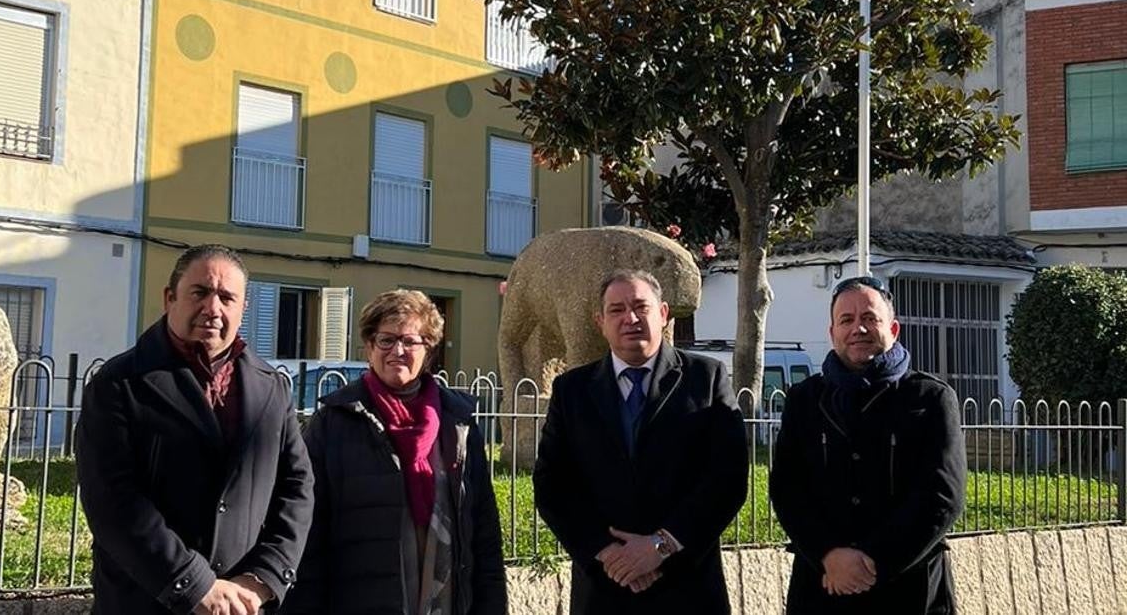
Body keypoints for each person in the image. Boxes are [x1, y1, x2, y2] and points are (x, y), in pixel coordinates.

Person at [77, 244, 314, 615]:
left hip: (242, 604)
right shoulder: (119, 383)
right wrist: (193, 584)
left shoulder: (271, 387)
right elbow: (113, 501)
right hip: (144, 601)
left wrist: (263, 578)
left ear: (243, 308)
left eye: (226, 297)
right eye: (200, 292)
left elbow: (296, 487)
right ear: (170, 298)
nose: (213, 309)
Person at [533, 269, 748, 615]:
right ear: (600, 321)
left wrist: (660, 545)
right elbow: (551, 483)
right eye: (616, 310)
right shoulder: (572, 390)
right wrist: (608, 553)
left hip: (687, 586)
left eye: (640, 307)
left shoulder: (705, 379)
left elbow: (727, 478)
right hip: (604, 587)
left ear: (663, 314)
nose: (630, 318)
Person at [283, 289, 506, 615]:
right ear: (370, 347)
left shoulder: (458, 423)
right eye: (385, 340)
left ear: (428, 349)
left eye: (410, 341)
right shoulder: (335, 421)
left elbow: (484, 529)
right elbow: (308, 530)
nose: (397, 351)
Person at [770, 276, 967, 614]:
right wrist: (829, 555)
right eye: (846, 320)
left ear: (892, 328)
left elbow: (942, 497)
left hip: (908, 589)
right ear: (832, 333)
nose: (858, 329)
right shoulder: (805, 400)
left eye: (869, 318)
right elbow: (788, 489)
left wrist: (872, 562)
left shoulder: (930, 398)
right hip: (823, 586)